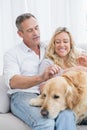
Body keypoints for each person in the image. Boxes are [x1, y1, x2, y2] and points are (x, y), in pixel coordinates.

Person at [3, 13, 76, 130]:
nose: (36, 33)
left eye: (37, 28)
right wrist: (41, 78)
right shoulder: (12, 54)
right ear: (20, 34)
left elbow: (72, 49)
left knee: (66, 115)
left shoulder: (47, 46)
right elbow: (12, 82)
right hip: (23, 95)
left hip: (48, 95)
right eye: (30, 30)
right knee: (45, 123)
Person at [38, 27, 87, 127]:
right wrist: (68, 72)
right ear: (53, 44)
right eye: (58, 42)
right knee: (66, 115)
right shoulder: (48, 62)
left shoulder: (78, 60)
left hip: (82, 106)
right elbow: (42, 88)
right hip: (65, 107)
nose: (62, 45)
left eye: (65, 41)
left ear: (70, 44)